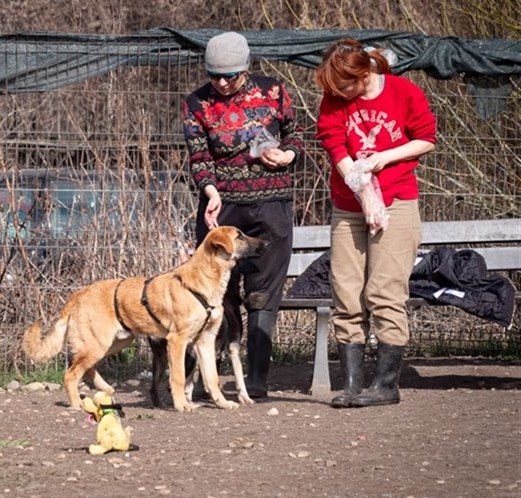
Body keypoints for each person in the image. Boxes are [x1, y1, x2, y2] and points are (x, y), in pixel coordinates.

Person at [315, 38, 437, 408]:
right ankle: (352, 384)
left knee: (384, 291)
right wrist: (364, 191)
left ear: (364, 74)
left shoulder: (403, 92)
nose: (339, 94)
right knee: (346, 290)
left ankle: (386, 385)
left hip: (398, 198)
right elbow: (334, 143)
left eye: (345, 86)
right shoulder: (335, 97)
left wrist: (383, 158)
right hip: (347, 204)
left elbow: (426, 139)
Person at [182, 31, 304, 400]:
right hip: (222, 209)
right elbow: (199, 156)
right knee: (214, 295)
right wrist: (210, 190)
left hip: (271, 208)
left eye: (229, 76)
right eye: (213, 75)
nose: (220, 83)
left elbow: (296, 134)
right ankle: (207, 379)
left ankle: (256, 380)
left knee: (262, 295)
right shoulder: (197, 103)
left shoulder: (273, 92)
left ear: (245, 68)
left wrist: (288, 156)